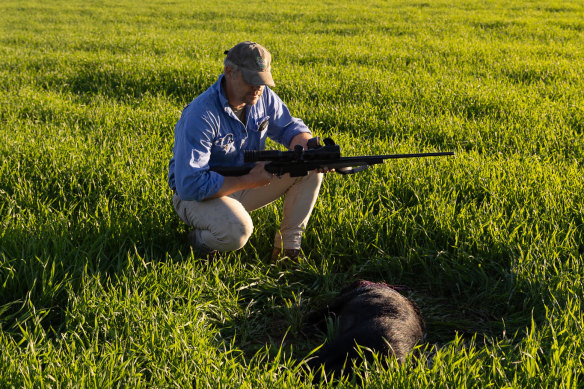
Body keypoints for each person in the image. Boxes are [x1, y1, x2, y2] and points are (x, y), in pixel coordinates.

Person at [168, 41, 323, 261]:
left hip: (247, 181)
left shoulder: (262, 96)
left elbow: (289, 127)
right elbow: (189, 185)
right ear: (229, 71)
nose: (258, 87)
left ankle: (287, 251)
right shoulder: (200, 115)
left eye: (262, 80)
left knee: (309, 169)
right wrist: (249, 179)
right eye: (251, 80)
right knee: (237, 232)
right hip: (198, 196)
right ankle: (199, 241)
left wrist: (307, 147)